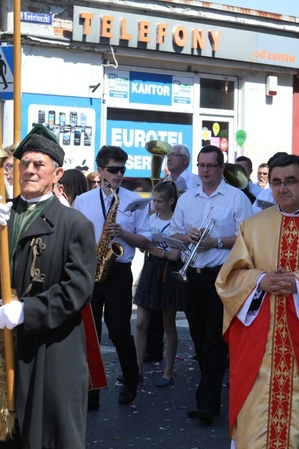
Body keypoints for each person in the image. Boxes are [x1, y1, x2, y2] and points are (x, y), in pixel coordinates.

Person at [0, 124, 97, 448]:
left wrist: (29, 310)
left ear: (58, 173)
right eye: (23, 164)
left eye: (38, 164)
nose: (29, 170)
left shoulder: (75, 225)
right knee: (3, 435)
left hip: (47, 349)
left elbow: (77, 290)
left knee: (42, 436)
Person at [216, 154, 299, 447]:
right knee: (256, 427)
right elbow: (229, 278)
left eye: (290, 181)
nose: (282, 188)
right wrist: (259, 281)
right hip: (260, 351)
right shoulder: (253, 226)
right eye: (276, 182)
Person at [169, 145, 253, 426]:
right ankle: (206, 396)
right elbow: (174, 232)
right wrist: (188, 235)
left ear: (221, 167)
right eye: (201, 165)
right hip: (192, 274)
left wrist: (215, 242)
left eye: (210, 166)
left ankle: (208, 404)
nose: (205, 171)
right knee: (198, 339)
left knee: (214, 342)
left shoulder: (236, 197)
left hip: (221, 275)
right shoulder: (187, 199)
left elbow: (247, 235)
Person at [74, 145, 150, 410]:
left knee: (119, 332)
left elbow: (146, 240)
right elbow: (74, 239)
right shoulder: (83, 201)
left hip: (118, 270)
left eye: (122, 170)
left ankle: (131, 379)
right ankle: (91, 390)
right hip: (90, 269)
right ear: (101, 170)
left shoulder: (133, 200)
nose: (118, 175)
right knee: (90, 334)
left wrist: (124, 234)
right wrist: (87, 255)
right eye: (113, 170)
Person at [133, 181, 183, 387]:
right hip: (151, 269)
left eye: (159, 201)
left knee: (168, 325)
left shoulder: (177, 223)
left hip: (167, 273)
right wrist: (154, 250)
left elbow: (174, 255)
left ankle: (168, 372)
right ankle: (137, 370)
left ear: (171, 201)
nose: (155, 204)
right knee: (140, 323)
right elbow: (144, 246)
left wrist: (156, 250)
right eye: (154, 200)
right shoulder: (151, 218)